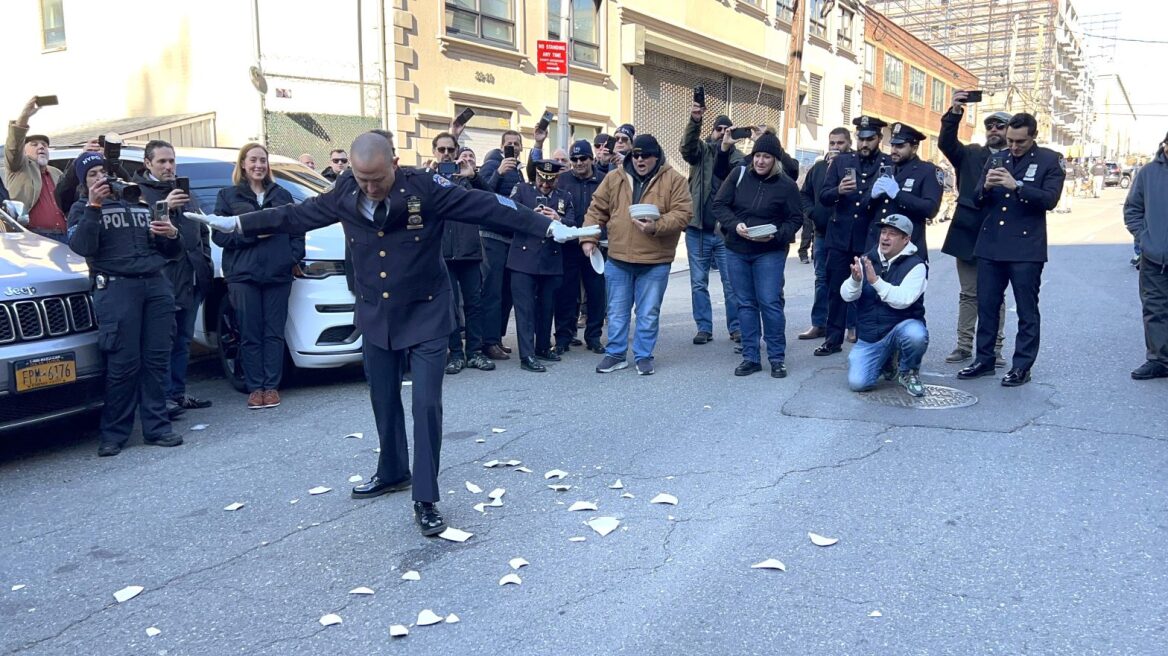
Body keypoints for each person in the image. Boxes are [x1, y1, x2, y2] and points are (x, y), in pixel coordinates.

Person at [187, 133, 593, 536]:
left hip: (427, 311)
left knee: (425, 405)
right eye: (362, 179)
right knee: (382, 397)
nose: (369, 188)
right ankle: (392, 470)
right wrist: (239, 223)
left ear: (394, 164)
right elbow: (297, 215)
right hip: (377, 313)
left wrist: (546, 228)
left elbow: (487, 207)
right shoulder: (346, 188)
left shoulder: (425, 187)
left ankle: (426, 496)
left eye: (376, 179)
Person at [66, 152, 184, 457]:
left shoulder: (138, 202)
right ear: (83, 182)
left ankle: (157, 428)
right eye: (93, 174)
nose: (101, 178)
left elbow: (169, 250)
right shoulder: (81, 208)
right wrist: (94, 206)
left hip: (155, 285)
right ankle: (114, 434)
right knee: (123, 364)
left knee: (157, 360)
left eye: (104, 172)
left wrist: (172, 234)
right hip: (117, 289)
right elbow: (82, 247)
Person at [958, 112, 1064, 387]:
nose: (1014, 147)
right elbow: (977, 198)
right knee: (987, 305)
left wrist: (1017, 186)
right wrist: (985, 189)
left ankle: (1021, 366)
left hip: (1025, 248)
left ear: (1033, 137)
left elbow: (1050, 200)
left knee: (1026, 310)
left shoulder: (1049, 160)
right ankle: (984, 360)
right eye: (1010, 141)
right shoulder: (997, 158)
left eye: (1020, 142)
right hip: (991, 245)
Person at [580, 134, 692, 375]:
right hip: (618, 258)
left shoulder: (674, 180)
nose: (640, 160)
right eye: (636, 155)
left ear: (657, 157)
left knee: (648, 313)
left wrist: (656, 226)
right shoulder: (614, 178)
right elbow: (596, 209)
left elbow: (683, 214)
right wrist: (588, 238)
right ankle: (616, 354)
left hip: (655, 260)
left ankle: (643, 356)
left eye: (646, 156)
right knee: (617, 312)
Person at [212, 143, 304, 409]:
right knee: (250, 333)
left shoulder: (282, 194)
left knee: (274, 332)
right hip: (243, 275)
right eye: (253, 160)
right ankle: (256, 388)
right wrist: (252, 234)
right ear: (243, 164)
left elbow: (298, 229)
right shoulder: (228, 196)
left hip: (277, 274)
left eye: (262, 160)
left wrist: (291, 257)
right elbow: (219, 234)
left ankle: (271, 387)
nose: (258, 165)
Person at [132, 139, 214, 414]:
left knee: (182, 342)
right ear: (147, 164)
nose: (168, 167)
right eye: (162, 162)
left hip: (192, 279)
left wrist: (205, 263)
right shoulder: (138, 193)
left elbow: (201, 228)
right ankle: (160, 400)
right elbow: (140, 236)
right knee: (161, 344)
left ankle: (177, 395)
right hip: (163, 281)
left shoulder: (184, 190)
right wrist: (164, 206)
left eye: (172, 161)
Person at [713, 133, 804, 378]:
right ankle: (750, 357)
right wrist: (735, 225)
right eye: (757, 156)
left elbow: (796, 218)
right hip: (737, 249)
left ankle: (776, 358)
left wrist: (775, 235)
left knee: (770, 302)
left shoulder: (786, 185)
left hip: (769, 251)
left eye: (767, 157)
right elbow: (719, 205)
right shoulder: (739, 175)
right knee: (745, 303)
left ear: (776, 160)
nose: (761, 161)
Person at [938, 96, 1009, 365]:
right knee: (969, 293)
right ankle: (964, 345)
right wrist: (955, 111)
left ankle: (995, 348)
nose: (993, 130)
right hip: (968, 231)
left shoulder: (1015, 158)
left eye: (1000, 126)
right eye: (990, 126)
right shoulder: (969, 154)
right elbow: (946, 142)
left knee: (995, 295)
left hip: (1000, 235)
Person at [817, 115, 893, 356]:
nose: (864, 144)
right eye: (861, 138)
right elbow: (824, 196)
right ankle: (833, 339)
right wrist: (838, 190)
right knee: (836, 290)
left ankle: (867, 338)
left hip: (871, 237)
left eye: (870, 139)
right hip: (840, 237)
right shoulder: (842, 162)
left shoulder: (888, 163)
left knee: (870, 291)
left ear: (879, 139)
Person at [843, 214, 929, 398]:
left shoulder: (917, 265)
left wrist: (875, 282)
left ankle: (908, 371)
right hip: (871, 334)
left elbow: (903, 300)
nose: (885, 237)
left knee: (916, 335)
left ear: (906, 239)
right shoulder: (866, 259)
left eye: (892, 234)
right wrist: (855, 280)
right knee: (858, 383)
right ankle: (887, 360)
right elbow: (846, 295)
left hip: (901, 326)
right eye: (883, 232)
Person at [680, 103, 742, 346]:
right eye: (719, 129)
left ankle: (735, 328)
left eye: (728, 129)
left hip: (725, 233)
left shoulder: (736, 156)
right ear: (712, 131)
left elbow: (743, 168)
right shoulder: (701, 151)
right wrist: (695, 121)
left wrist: (728, 147)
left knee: (731, 283)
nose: (722, 133)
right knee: (698, 282)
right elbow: (686, 148)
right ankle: (704, 328)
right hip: (698, 231)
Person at [432, 136, 495, 374]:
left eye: (451, 149)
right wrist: (431, 174)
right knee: (449, 307)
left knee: (474, 304)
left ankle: (475, 353)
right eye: (442, 149)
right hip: (442, 254)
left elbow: (491, 200)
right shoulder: (428, 179)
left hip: (470, 252)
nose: (446, 154)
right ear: (435, 152)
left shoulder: (466, 180)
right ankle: (456, 354)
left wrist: (473, 176)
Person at [508, 160, 575, 372]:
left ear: (557, 178)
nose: (545, 185)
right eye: (542, 180)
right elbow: (507, 215)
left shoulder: (565, 197)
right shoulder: (522, 190)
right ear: (535, 176)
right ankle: (526, 356)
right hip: (523, 259)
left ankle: (543, 347)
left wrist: (559, 218)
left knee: (547, 307)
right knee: (525, 310)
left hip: (551, 259)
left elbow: (574, 224)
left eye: (551, 181)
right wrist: (531, 214)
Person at [797, 128, 851, 341]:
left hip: (847, 233)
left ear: (849, 143)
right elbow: (805, 195)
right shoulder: (818, 168)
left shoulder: (854, 167)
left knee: (851, 280)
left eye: (840, 143)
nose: (836, 147)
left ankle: (851, 327)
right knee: (821, 279)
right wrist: (813, 213)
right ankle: (819, 324)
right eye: (832, 143)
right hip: (822, 233)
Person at [478, 130, 527, 360]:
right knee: (493, 292)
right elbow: (482, 192)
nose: (513, 147)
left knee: (506, 293)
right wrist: (498, 172)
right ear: (501, 146)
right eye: (509, 144)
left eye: (517, 144)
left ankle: (496, 338)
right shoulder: (492, 164)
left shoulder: (519, 172)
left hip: (512, 239)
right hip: (492, 237)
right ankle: (488, 342)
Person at [555, 139, 607, 354]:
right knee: (565, 293)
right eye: (574, 159)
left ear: (591, 159)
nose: (578, 163)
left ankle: (593, 337)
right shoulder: (562, 180)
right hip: (569, 245)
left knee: (596, 293)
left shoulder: (605, 180)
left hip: (595, 244)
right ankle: (563, 338)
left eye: (582, 158)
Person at [1123, 133, 1168, 380]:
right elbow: (1133, 208)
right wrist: (1145, 239)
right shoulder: (1149, 173)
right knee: (1155, 308)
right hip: (1155, 256)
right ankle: (1159, 360)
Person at [867, 122, 942, 258]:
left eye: (900, 146)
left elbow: (931, 209)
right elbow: (865, 208)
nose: (894, 150)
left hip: (907, 248)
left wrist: (898, 195)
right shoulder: (885, 170)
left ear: (914, 148)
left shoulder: (927, 171)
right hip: (878, 247)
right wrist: (871, 196)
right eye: (893, 145)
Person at [5, 96, 67, 241]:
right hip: (35, 238)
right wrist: (24, 117)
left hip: (65, 235)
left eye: (44, 145)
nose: (41, 147)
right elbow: (13, 148)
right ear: (24, 152)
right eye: (34, 144)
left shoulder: (56, 173)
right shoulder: (19, 167)